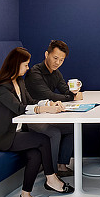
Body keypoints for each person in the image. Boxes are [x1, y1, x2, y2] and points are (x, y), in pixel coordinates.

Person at [0, 47, 74, 197]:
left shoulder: (19, 81)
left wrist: (49, 103)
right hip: (4, 136)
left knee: (35, 155)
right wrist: (44, 109)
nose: (28, 68)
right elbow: (19, 108)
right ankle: (51, 178)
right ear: (16, 64)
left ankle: (25, 195)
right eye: (25, 65)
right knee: (43, 140)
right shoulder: (1, 87)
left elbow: (30, 102)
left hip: (17, 133)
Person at [25, 39, 81, 177]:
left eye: (61, 60)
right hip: (31, 118)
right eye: (55, 58)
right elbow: (50, 96)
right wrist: (72, 97)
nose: (57, 63)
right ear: (46, 54)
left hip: (48, 115)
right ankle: (52, 175)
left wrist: (74, 91)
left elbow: (65, 91)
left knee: (74, 127)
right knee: (54, 132)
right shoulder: (35, 73)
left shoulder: (56, 73)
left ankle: (61, 165)